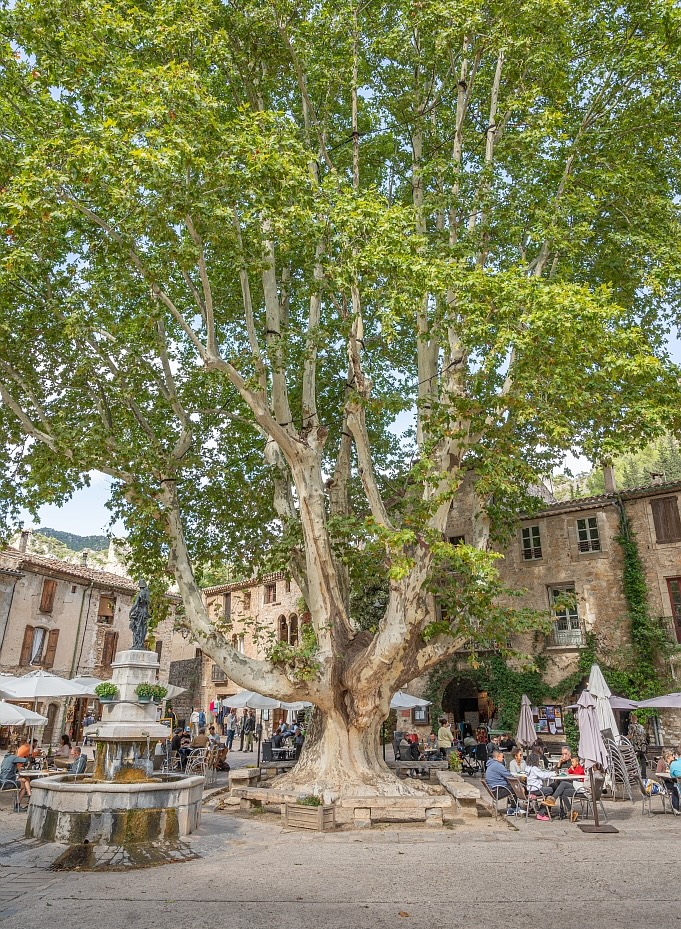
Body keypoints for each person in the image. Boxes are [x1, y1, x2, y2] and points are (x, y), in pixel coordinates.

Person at [551, 753, 585, 820]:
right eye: (571, 762)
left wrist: (573, 770)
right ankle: (571, 811)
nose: (572, 763)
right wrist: (570, 769)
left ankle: (552, 799)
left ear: (577, 762)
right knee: (562, 792)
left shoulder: (580, 768)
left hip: (579, 787)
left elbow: (578, 774)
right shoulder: (573, 767)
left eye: (573, 762)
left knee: (563, 784)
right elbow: (568, 773)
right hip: (574, 784)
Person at [485, 748, 517, 815]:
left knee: (513, 786)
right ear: (497, 757)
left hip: (493, 790)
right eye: (502, 757)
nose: (503, 759)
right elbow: (509, 776)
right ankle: (514, 809)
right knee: (516, 787)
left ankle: (513, 806)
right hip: (497, 791)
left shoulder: (490, 765)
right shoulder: (497, 765)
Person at [525, 752, 556, 818]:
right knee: (551, 790)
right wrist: (552, 773)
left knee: (549, 789)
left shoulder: (528, 768)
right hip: (536, 789)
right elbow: (543, 775)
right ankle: (541, 812)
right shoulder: (534, 768)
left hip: (530, 789)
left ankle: (545, 810)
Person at [668, 747, 681, 813]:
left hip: (679, 786)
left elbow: (672, 776)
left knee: (675, 786)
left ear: (677, 755)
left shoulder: (673, 764)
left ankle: (675, 808)